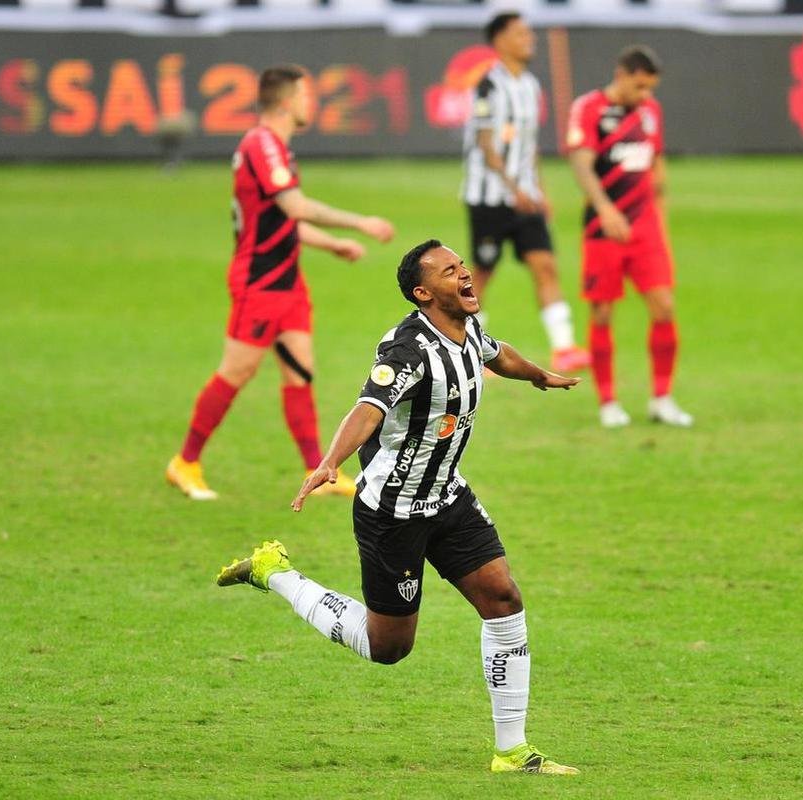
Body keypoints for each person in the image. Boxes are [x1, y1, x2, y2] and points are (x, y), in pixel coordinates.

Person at [217, 240, 581, 775]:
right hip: (393, 510)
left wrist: (537, 375)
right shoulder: (409, 351)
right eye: (449, 271)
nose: (463, 274)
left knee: (503, 599)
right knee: (389, 647)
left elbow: (495, 352)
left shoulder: (466, 326)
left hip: (448, 496)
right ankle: (276, 573)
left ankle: (513, 751)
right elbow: (369, 408)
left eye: (461, 265)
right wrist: (329, 463)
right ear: (423, 293)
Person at [167, 65, 395, 500]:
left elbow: (279, 221)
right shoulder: (261, 143)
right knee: (237, 371)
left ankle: (318, 469)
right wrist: (360, 222)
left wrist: (331, 245)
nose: (312, 104)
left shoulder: (278, 150)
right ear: (288, 101)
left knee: (299, 374)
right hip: (260, 282)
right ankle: (185, 462)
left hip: (287, 281)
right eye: (307, 97)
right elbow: (294, 205)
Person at [566, 46, 694, 429]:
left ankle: (662, 398)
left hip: (645, 228)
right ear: (621, 75)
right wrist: (605, 209)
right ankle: (608, 402)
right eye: (639, 86)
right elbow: (581, 164)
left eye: (650, 88)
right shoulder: (589, 108)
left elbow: (656, 165)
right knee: (603, 311)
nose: (645, 95)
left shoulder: (650, 111)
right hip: (602, 229)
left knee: (664, 307)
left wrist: (662, 219)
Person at [462, 12, 591, 374]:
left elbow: (529, 147)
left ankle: (564, 348)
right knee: (480, 275)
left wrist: (539, 190)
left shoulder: (532, 85)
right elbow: (486, 146)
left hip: (526, 198)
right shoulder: (488, 86)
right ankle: (474, 353)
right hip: (489, 197)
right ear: (500, 39)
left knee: (545, 265)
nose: (528, 39)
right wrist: (512, 188)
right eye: (520, 34)